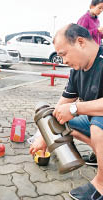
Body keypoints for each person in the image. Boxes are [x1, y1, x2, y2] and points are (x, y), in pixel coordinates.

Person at [30, 23, 103, 200]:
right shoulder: (77, 71)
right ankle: (98, 153)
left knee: (97, 125)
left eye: (63, 54)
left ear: (80, 42)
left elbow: (72, 107)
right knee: (58, 120)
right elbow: (59, 107)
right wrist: (44, 137)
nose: (63, 61)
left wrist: (75, 108)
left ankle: (101, 185)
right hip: (96, 120)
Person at [77, 0, 103, 166]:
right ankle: (95, 153)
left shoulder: (97, 20)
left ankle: (97, 155)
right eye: (99, 8)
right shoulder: (85, 19)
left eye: (102, 9)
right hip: (88, 59)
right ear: (91, 6)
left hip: (97, 57)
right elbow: (80, 36)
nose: (100, 11)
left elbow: (97, 38)